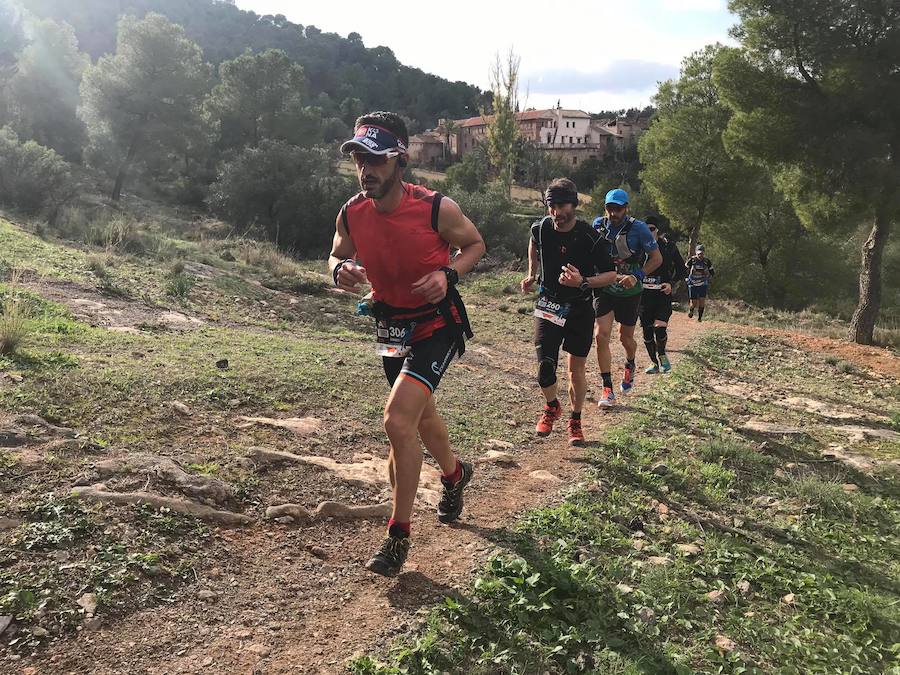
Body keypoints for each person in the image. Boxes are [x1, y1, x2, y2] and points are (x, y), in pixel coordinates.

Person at [329, 111, 486, 577]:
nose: (366, 168)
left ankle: (398, 535)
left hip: (437, 326)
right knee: (421, 415)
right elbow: (337, 251)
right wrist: (339, 271)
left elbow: (475, 244)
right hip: (391, 327)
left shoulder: (437, 207)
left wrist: (448, 274)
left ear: (400, 160)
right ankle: (456, 474)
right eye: (359, 157)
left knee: (398, 421)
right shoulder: (352, 212)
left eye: (376, 158)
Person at [521, 178, 616, 446]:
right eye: (551, 206)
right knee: (545, 367)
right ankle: (552, 406)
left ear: (573, 204)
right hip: (549, 304)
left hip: (579, 308)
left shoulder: (589, 237)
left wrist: (583, 281)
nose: (556, 213)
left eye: (561, 205)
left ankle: (575, 420)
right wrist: (532, 273)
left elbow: (610, 274)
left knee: (576, 370)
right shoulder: (541, 229)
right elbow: (533, 243)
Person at [592, 189, 663, 407]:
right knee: (601, 335)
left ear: (626, 208)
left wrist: (637, 276)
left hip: (630, 292)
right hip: (605, 287)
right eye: (610, 208)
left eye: (618, 208)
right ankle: (607, 388)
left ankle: (630, 363)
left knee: (626, 339)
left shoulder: (639, 228)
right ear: (605, 208)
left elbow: (656, 258)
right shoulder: (598, 225)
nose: (614, 213)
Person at [640, 216, 687, 374]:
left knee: (659, 329)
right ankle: (653, 363)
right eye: (645, 229)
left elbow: (682, 269)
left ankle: (662, 355)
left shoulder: (669, 247)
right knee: (647, 332)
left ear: (658, 231)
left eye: (652, 229)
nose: (648, 232)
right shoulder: (637, 247)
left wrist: (671, 283)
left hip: (662, 294)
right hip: (643, 296)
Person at [686, 244, 715, 321]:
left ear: (704, 253)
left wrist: (709, 279)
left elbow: (712, 272)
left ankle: (700, 317)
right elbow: (685, 269)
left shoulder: (707, 261)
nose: (700, 255)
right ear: (696, 253)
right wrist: (686, 278)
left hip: (703, 283)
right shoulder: (692, 260)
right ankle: (691, 310)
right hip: (692, 283)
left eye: (701, 253)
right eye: (698, 254)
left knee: (702, 300)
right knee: (694, 303)